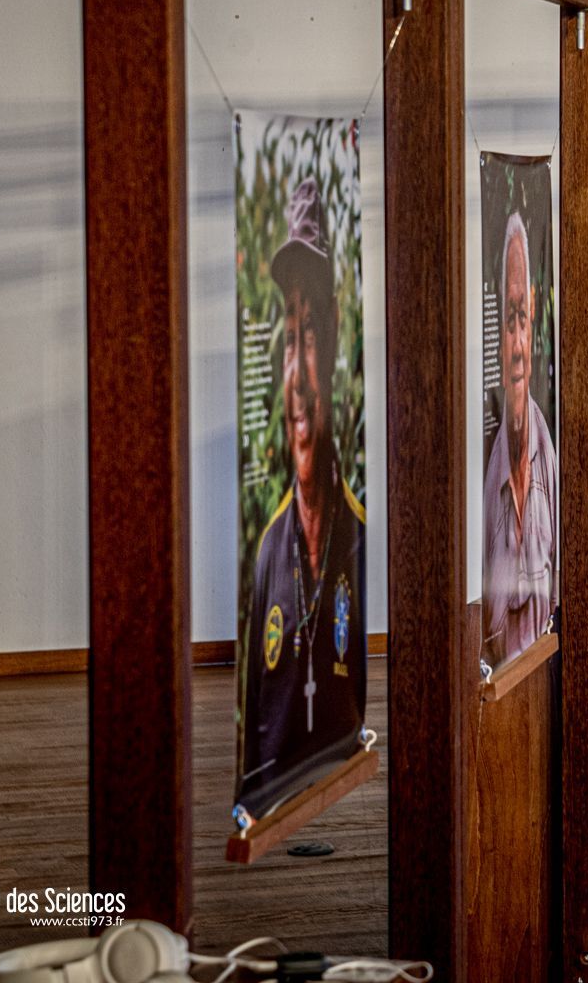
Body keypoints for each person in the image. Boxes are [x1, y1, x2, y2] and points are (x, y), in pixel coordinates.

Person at [241, 179, 366, 814]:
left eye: (311, 335)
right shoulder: (268, 557)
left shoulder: (359, 536)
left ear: (338, 343)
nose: (297, 375)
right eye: (290, 340)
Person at [483, 212, 560, 669]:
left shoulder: (545, 454)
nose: (516, 342)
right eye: (507, 323)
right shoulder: (489, 473)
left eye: (522, 321)